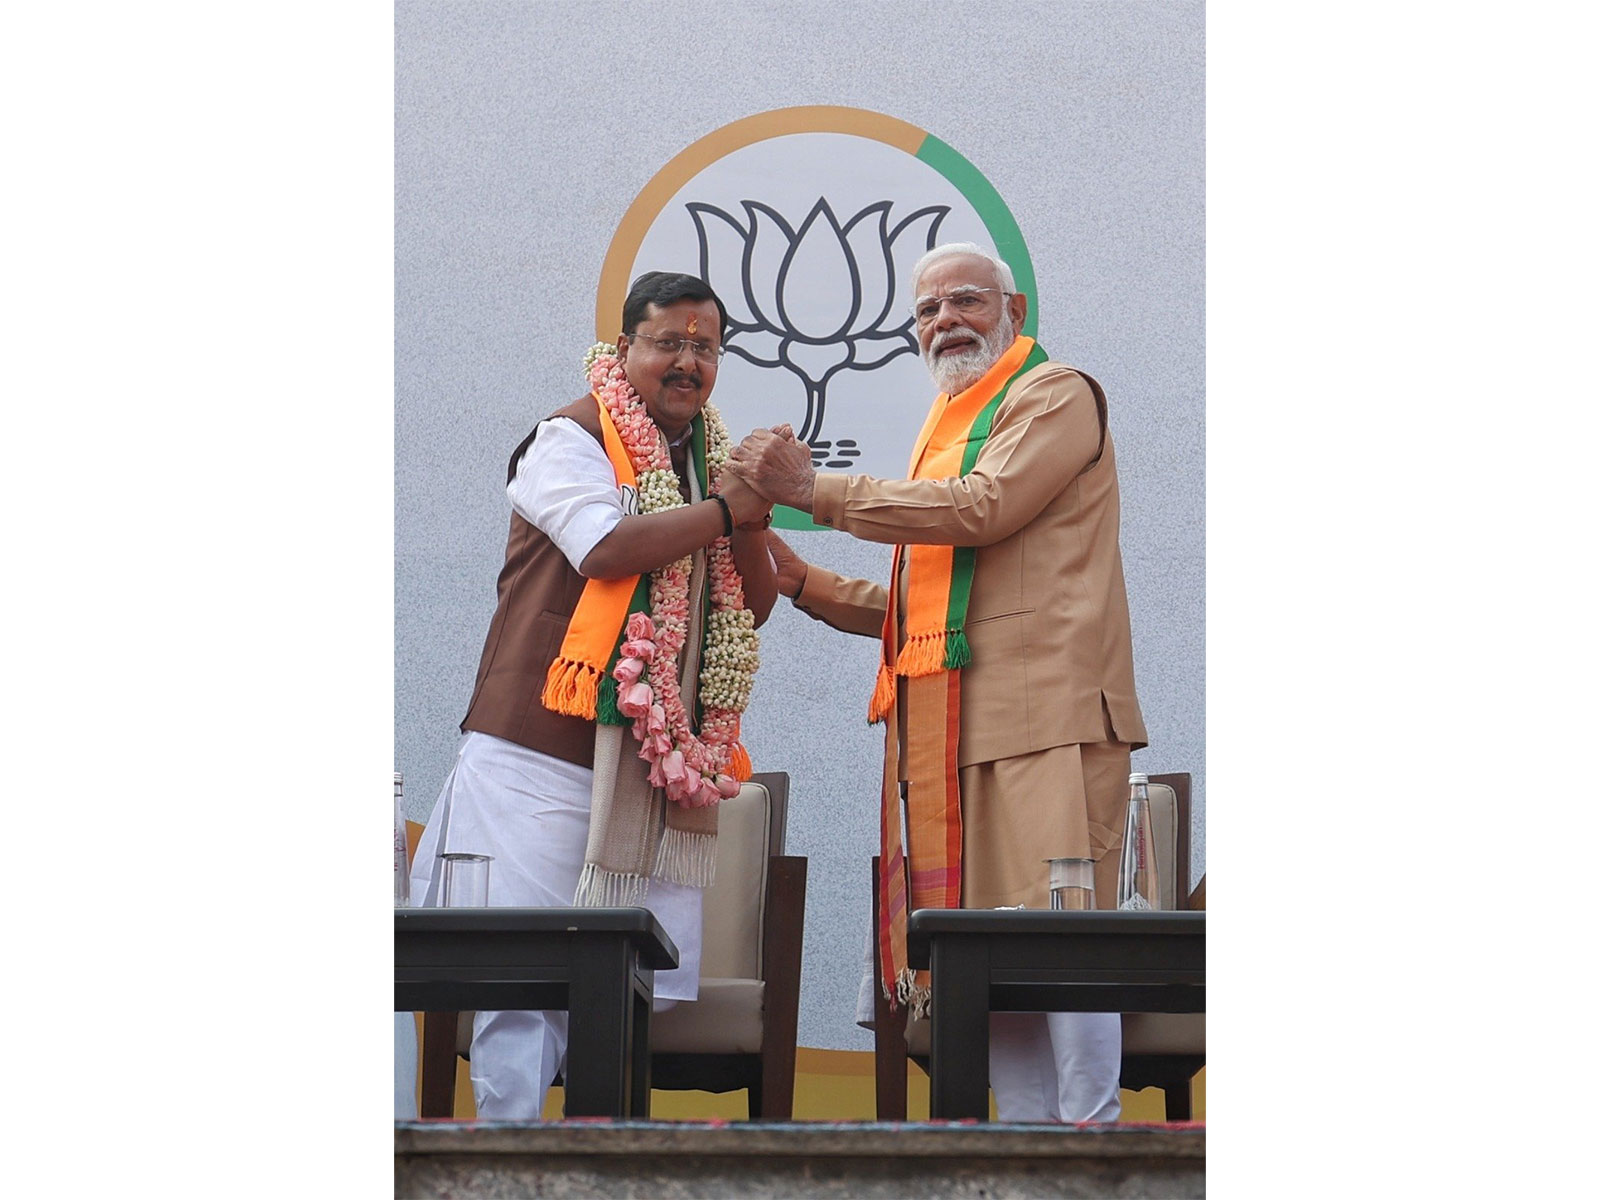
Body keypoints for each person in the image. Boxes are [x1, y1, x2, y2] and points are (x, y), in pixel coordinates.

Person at [727, 242, 1147, 1123]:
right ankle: (1028, 1157)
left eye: (965, 300)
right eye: (926, 310)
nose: (945, 320)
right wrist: (810, 587)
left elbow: (982, 509)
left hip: (1050, 721)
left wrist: (816, 491)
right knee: (990, 964)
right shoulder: (946, 423)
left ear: (1015, 312)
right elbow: (930, 614)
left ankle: (1096, 1153)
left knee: (1062, 950)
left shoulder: (1054, 394)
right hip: (959, 729)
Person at [409, 271, 778, 1120]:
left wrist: (750, 513)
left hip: (638, 771)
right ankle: (509, 1161)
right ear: (624, 351)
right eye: (669, 343)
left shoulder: (706, 464)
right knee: (527, 977)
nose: (688, 362)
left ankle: (593, 1162)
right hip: (537, 753)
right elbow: (605, 547)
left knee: (614, 983)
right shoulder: (568, 439)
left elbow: (748, 606)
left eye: (706, 347)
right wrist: (726, 509)